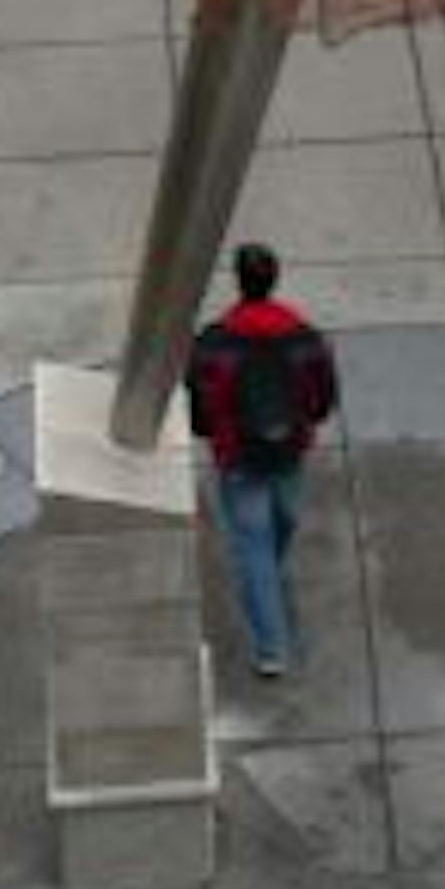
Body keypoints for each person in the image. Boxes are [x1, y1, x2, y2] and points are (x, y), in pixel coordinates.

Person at [186, 243, 339, 678]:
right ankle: (269, 577)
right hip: (289, 451)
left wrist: (217, 431)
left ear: (239, 281)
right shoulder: (306, 338)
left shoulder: (215, 342)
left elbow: (199, 410)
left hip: (239, 458)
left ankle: (271, 649)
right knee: (283, 521)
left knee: (253, 545)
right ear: (275, 279)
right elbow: (324, 400)